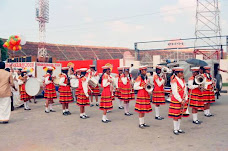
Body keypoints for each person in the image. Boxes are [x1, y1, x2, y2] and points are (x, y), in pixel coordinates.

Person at [168, 67, 189, 135]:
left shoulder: (183, 80)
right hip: (176, 100)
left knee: (180, 114)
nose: (182, 74)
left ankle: (178, 128)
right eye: (181, 73)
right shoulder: (174, 80)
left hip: (182, 99)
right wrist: (180, 100)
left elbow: (185, 89)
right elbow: (175, 92)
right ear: (177, 73)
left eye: (182, 72)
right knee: (176, 115)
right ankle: (175, 129)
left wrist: (186, 98)